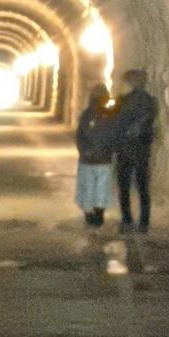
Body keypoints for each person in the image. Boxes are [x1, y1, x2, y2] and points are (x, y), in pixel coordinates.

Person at [111, 68, 158, 230]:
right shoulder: (150, 102)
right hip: (140, 151)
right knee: (142, 186)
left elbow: (115, 123)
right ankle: (143, 222)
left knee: (125, 187)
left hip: (127, 149)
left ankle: (127, 219)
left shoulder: (123, 101)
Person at [73, 82, 118, 228]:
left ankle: (88, 213)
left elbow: (80, 135)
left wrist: (84, 150)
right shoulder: (111, 112)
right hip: (104, 158)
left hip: (87, 159)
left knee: (87, 186)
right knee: (102, 187)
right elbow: (113, 134)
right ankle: (99, 213)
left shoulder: (87, 113)